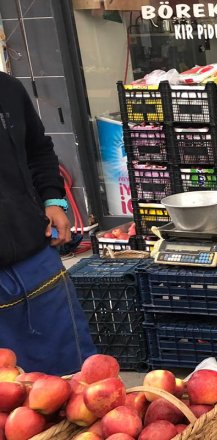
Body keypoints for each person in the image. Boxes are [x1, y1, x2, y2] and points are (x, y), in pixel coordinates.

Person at [0, 72, 96, 375]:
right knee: (11, 397)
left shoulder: (7, 89)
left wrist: (54, 200)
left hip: (35, 257)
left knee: (79, 379)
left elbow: (38, 150)